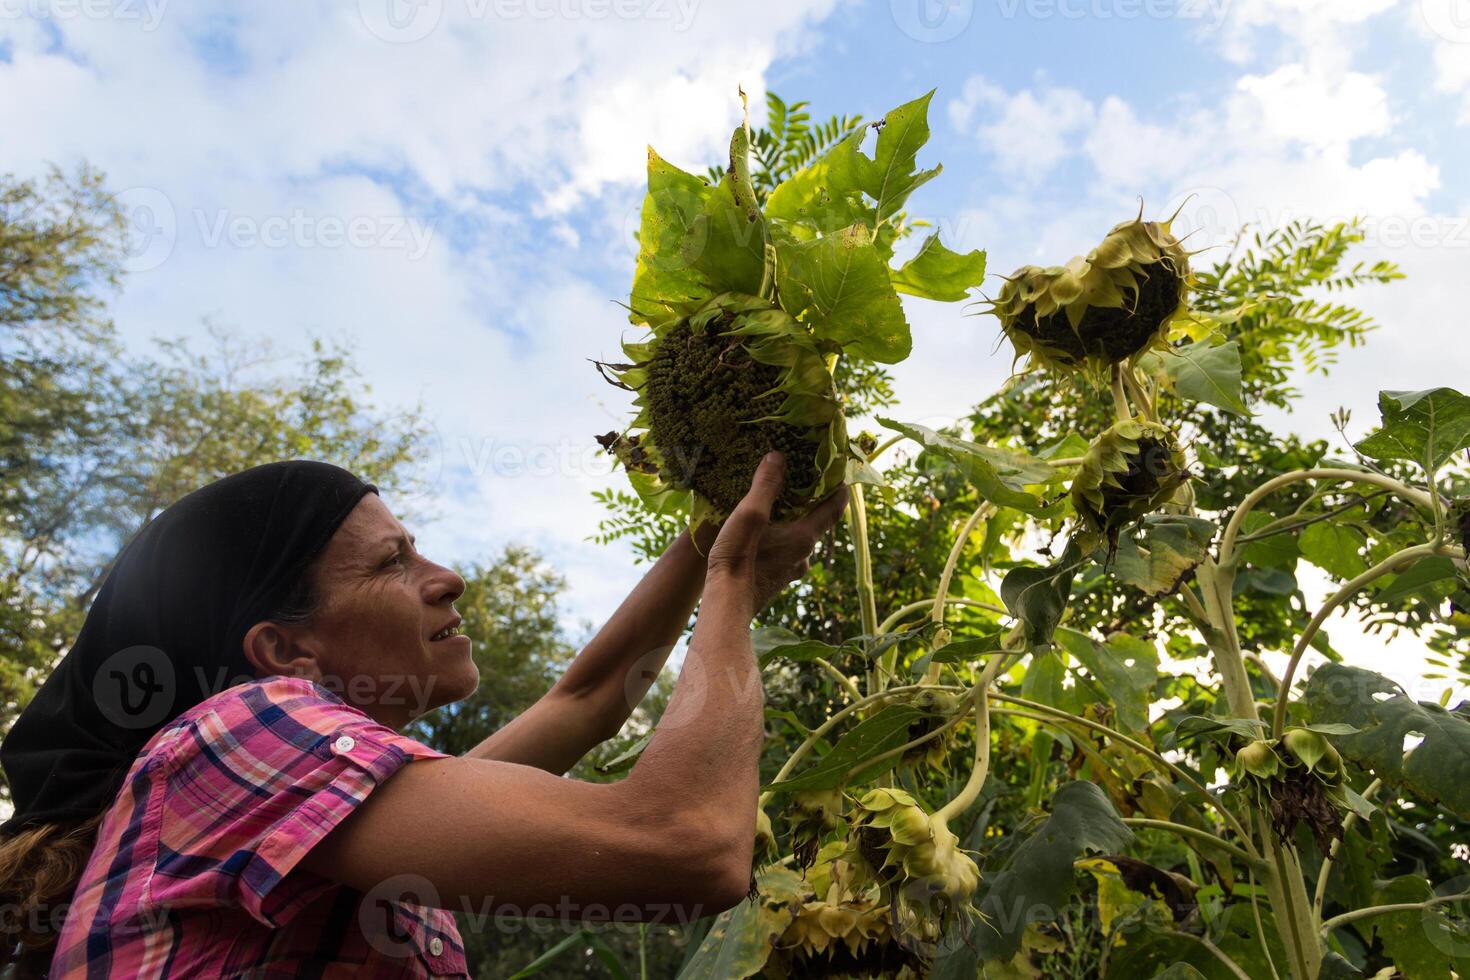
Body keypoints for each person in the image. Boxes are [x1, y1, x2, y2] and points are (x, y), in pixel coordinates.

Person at [0, 453, 848, 977]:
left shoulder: (313, 819)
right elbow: (687, 842)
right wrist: (731, 590)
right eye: (393, 562)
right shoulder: (229, 733)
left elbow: (584, 701)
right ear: (284, 654)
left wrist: (715, 547)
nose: (447, 577)